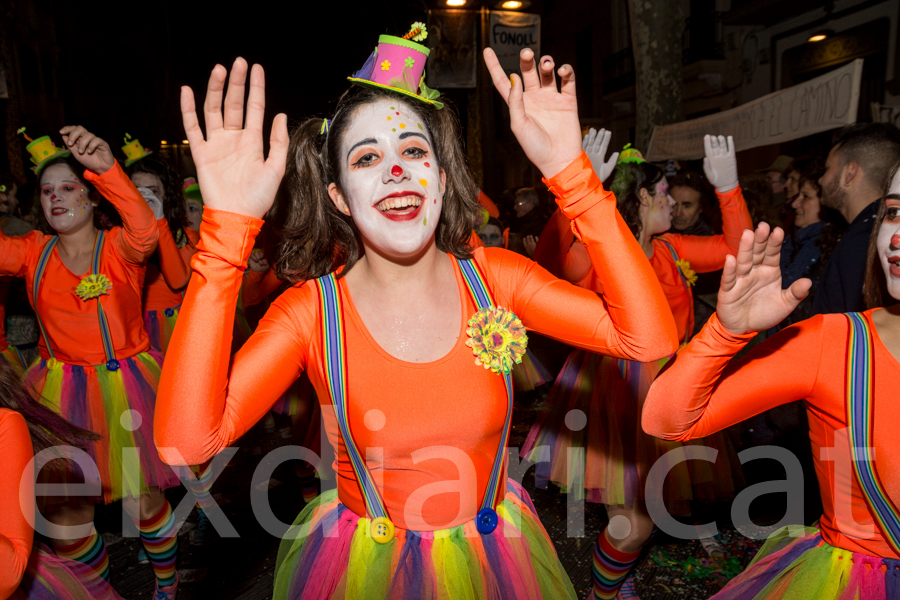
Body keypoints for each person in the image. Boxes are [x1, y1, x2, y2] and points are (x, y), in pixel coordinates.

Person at [155, 28, 678, 599]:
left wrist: (572, 175)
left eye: (413, 151)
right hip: (367, 573)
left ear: (442, 177)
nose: (396, 170)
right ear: (338, 197)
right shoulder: (310, 312)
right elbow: (185, 444)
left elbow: (647, 339)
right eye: (367, 157)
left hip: (494, 562)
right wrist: (225, 232)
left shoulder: (496, 277)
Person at [641, 162, 900, 600]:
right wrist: (727, 331)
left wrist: (728, 189)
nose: (896, 237)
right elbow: (667, 421)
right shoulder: (834, 343)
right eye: (893, 213)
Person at [524, 136, 750, 600]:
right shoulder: (600, 249)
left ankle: (614, 582)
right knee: (635, 524)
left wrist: (728, 188)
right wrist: (574, 189)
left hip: (674, 388)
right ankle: (602, 592)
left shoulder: (673, 248)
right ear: (643, 197)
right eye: (665, 193)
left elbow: (736, 247)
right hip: (616, 389)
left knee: (637, 518)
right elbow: (547, 264)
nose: (673, 204)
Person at [2, 128, 180, 599]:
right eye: (46, 191)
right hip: (57, 396)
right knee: (64, 521)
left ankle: (167, 587)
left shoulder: (121, 247)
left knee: (145, 502)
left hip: (128, 388)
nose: (55, 198)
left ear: (90, 196)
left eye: (68, 188)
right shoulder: (32, 253)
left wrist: (107, 169)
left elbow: (146, 230)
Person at [0, 359, 125, 600]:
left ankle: (161, 585)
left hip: (108, 371)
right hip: (59, 370)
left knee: (140, 506)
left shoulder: (5, 425)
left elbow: (7, 576)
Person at [813, 122, 900, 315]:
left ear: (849, 173)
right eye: (893, 214)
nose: (821, 179)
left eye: (827, 168)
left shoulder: (864, 242)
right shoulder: (864, 232)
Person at [126, 154, 200, 355]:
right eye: (138, 192)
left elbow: (177, 280)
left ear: (166, 195)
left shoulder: (186, 236)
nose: (145, 199)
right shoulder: (118, 237)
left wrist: (159, 220)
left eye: (153, 192)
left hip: (172, 328)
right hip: (132, 329)